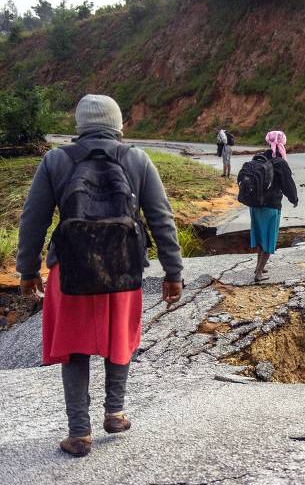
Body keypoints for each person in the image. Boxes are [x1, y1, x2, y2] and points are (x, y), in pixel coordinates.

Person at [16, 94, 184, 458]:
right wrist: (173, 272)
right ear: (118, 124)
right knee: (119, 336)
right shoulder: (137, 159)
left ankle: (79, 433)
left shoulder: (56, 160)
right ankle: (116, 413)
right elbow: (161, 217)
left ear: (79, 125)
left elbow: (33, 220)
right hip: (123, 267)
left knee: (75, 348)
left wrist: (27, 270)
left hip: (70, 270)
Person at [249, 130, 298, 281]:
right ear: (283, 142)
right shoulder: (280, 162)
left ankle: (259, 268)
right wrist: (294, 199)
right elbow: (288, 184)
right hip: (271, 206)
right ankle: (258, 273)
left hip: (254, 205)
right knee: (269, 239)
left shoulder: (259, 157)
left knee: (260, 237)